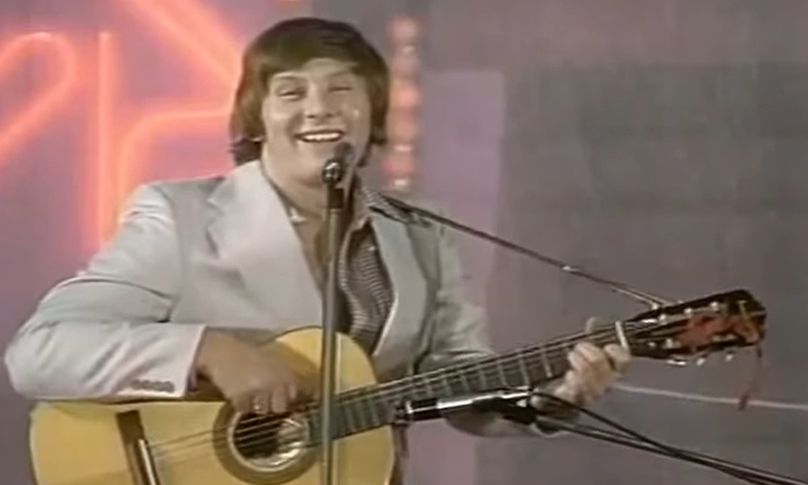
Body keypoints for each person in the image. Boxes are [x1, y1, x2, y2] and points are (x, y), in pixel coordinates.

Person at [4, 16, 630, 482]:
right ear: (258, 116)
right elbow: (40, 353)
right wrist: (210, 350)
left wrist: (549, 401)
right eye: (291, 91)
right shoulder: (179, 216)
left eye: (341, 89)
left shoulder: (422, 236)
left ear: (372, 111)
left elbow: (457, 383)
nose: (318, 109)